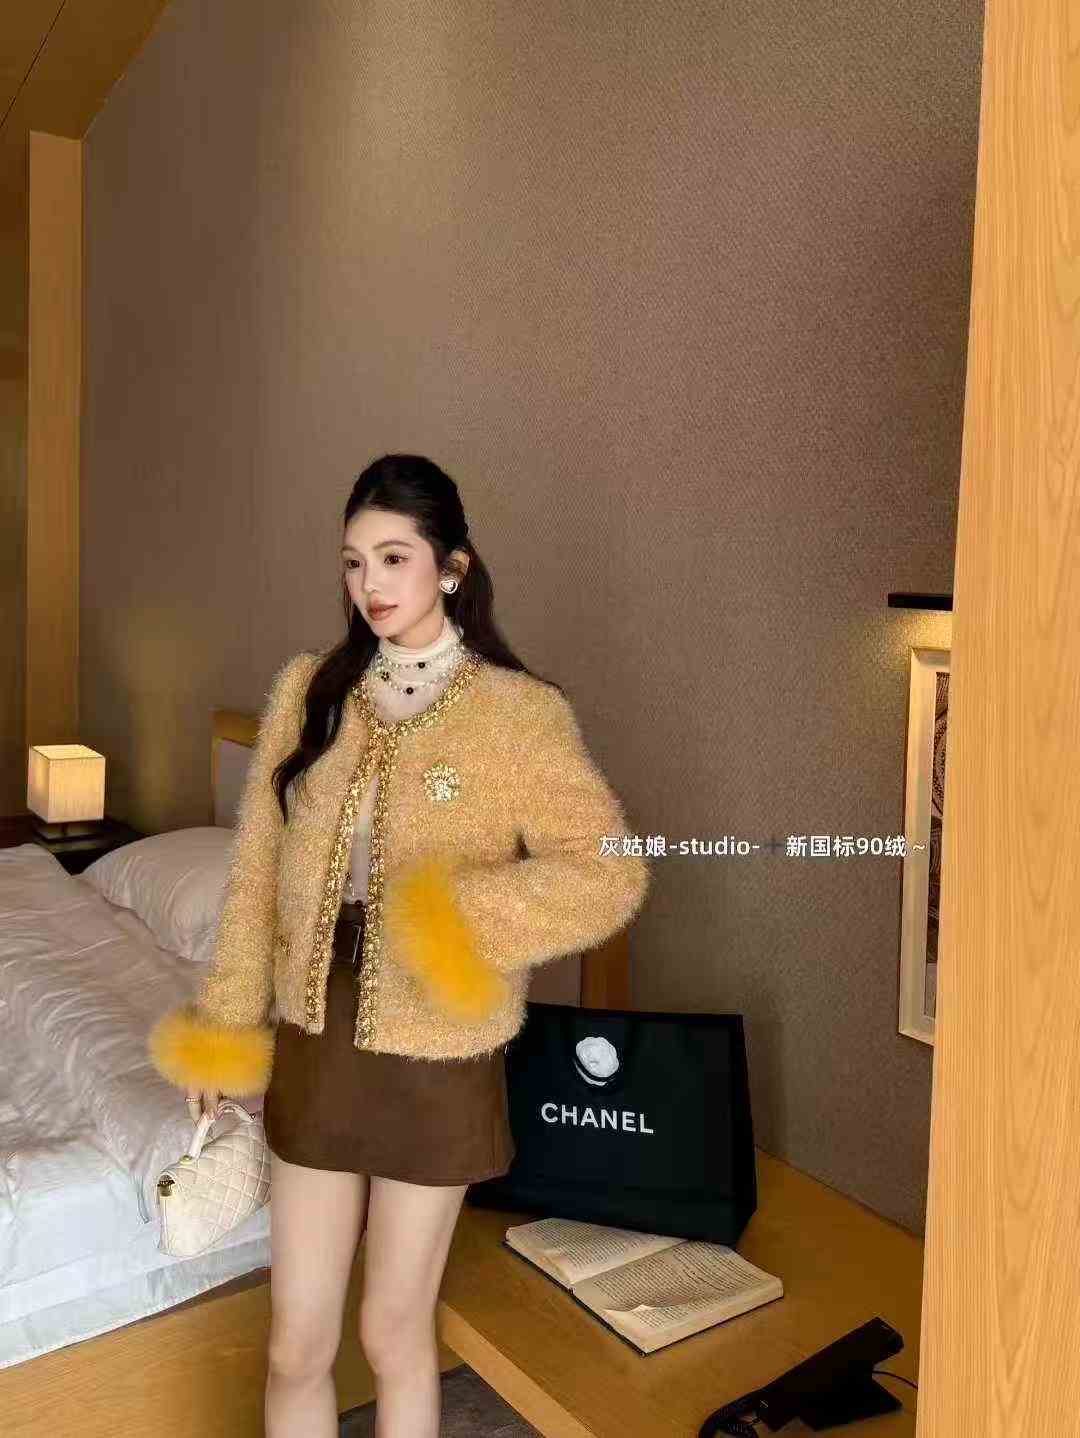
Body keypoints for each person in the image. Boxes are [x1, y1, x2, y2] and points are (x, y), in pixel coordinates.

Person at [147, 452, 650, 1437]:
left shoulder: (518, 712)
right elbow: (256, 876)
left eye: (393, 557)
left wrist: (458, 921)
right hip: (317, 1036)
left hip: (438, 1055)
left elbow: (608, 871)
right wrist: (225, 1026)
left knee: (392, 1330)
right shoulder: (310, 690)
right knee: (297, 1341)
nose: (369, 584)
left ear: (451, 566)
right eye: (353, 562)